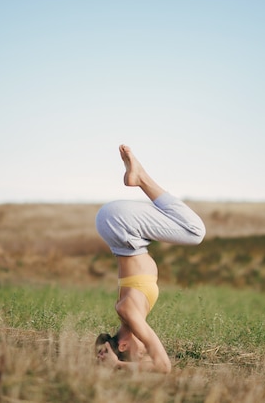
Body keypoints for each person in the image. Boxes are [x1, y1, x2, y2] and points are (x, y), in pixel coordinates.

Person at [94, 144, 206, 373]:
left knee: (195, 232)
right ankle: (140, 177)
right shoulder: (128, 313)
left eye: (140, 352)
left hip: (119, 225)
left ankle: (141, 177)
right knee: (191, 230)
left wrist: (118, 366)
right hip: (124, 233)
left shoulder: (130, 313)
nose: (145, 351)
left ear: (123, 344)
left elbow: (164, 367)